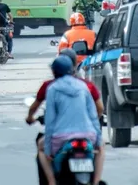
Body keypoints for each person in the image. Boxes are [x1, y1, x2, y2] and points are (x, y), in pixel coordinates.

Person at [27, 48, 105, 185]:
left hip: (62, 136)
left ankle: (51, 182)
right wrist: (97, 138)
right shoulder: (84, 86)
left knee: (41, 148)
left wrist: (48, 148)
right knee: (101, 148)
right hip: (88, 134)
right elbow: (94, 115)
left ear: (54, 72)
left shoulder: (52, 88)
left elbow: (50, 121)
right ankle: (96, 181)